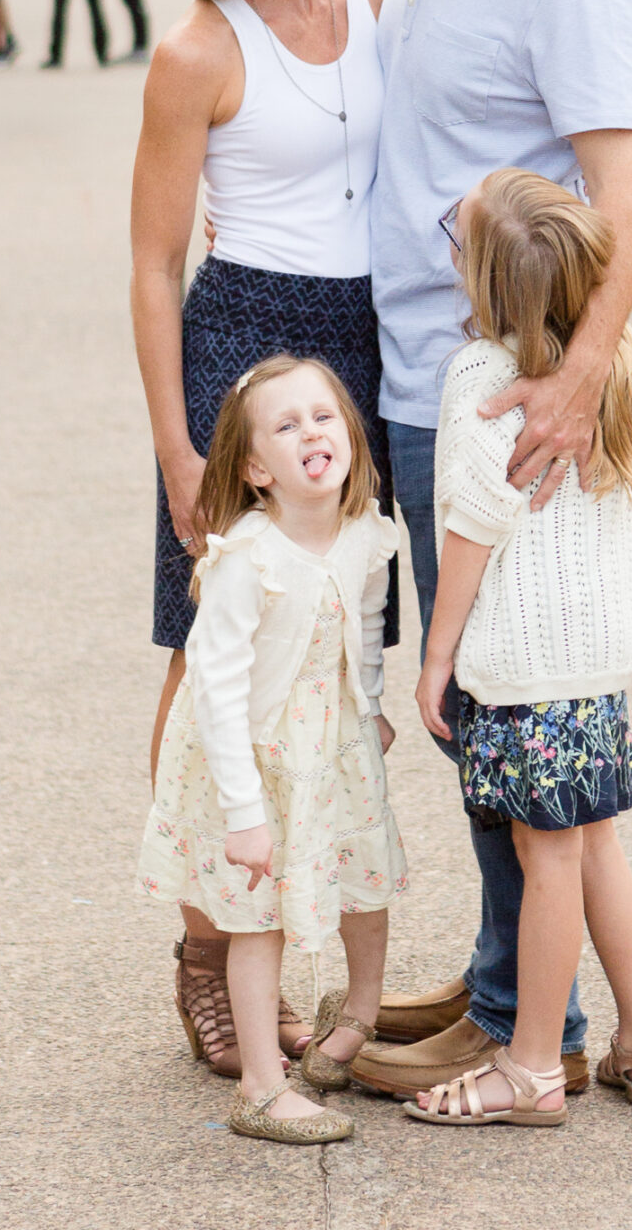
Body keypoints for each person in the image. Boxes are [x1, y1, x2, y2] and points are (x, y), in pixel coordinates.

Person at [304, 0, 632, 1105]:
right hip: (414, 371)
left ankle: (523, 1024)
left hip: (502, 394)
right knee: (476, 713)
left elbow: (624, 198)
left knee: (490, 697)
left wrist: (571, 384)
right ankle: (511, 975)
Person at [131, 0, 425, 1078]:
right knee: (214, 655)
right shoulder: (199, 49)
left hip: (360, 348)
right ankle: (207, 950)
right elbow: (150, 263)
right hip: (241, 351)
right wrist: (177, 449)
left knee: (336, 654)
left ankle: (318, 937)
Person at [407, 169, 632, 1127]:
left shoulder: (481, 379)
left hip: (527, 663)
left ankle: (527, 1070)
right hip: (596, 657)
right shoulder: (611, 364)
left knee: (546, 850)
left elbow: (473, 524)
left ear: (481, 283)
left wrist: (437, 654)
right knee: (595, 840)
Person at [138, 354, 405, 1145]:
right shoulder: (245, 561)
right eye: (286, 427)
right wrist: (243, 812)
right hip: (253, 759)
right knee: (259, 918)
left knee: (365, 877)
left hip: (331, 743)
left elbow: (363, 622)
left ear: (350, 434)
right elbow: (215, 692)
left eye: (323, 417)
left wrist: (371, 706)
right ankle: (259, 1083)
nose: (311, 434)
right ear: (256, 467)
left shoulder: (363, 529)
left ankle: (355, 1016)